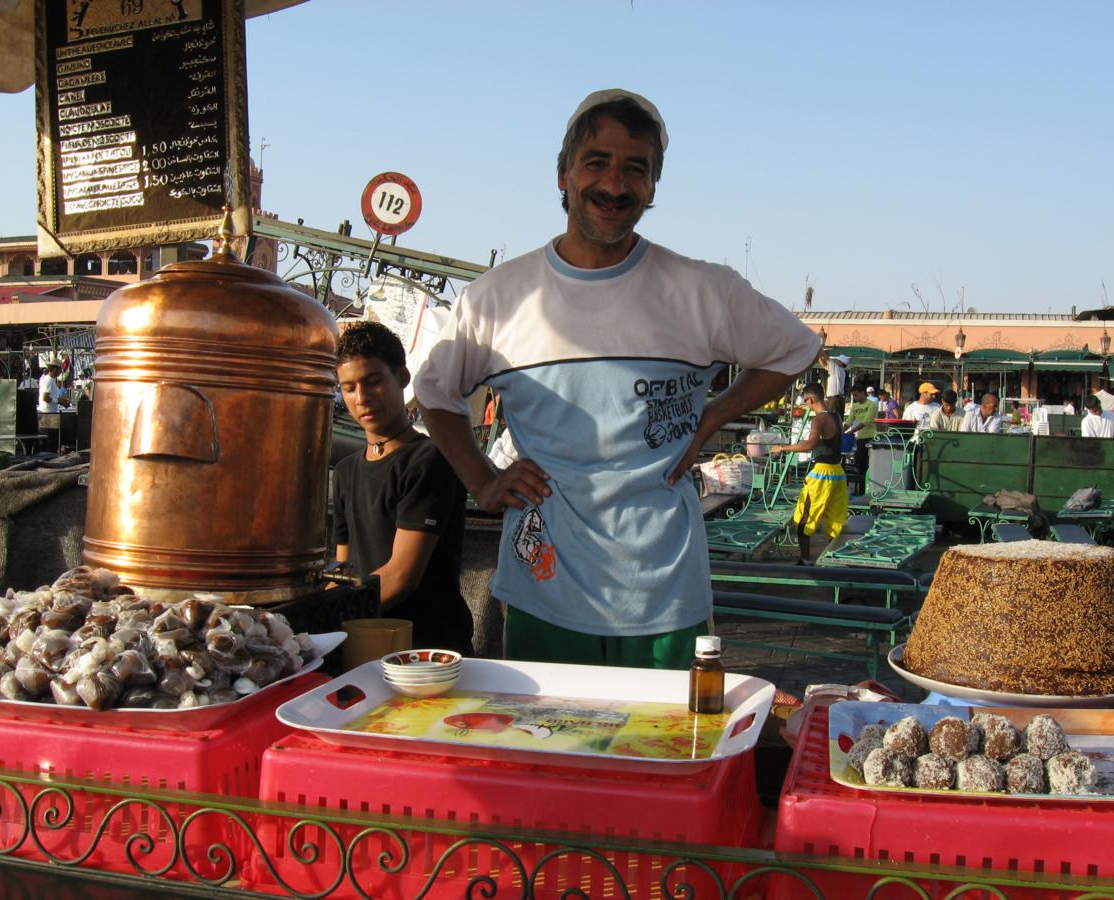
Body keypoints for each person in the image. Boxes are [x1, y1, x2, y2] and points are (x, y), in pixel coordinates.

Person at [414, 88, 821, 670]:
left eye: (637, 168)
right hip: (543, 590)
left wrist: (711, 417)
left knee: (664, 755)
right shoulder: (498, 298)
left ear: (653, 186)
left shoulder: (704, 290)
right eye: (597, 162)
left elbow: (795, 350)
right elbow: (433, 392)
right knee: (549, 749)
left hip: (665, 596)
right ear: (563, 174)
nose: (615, 184)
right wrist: (481, 479)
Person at [333, 322, 474, 654]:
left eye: (373, 382)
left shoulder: (430, 460)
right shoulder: (344, 471)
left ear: (402, 378)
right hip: (364, 644)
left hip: (427, 651)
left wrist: (330, 613)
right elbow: (343, 570)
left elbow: (400, 576)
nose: (361, 398)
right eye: (349, 388)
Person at [769, 383, 847, 566]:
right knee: (835, 519)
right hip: (838, 472)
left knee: (805, 519)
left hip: (821, 474)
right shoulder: (836, 416)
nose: (805, 404)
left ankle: (805, 560)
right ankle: (832, 559)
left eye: (805, 401)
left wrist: (783, 448)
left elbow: (810, 444)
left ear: (810, 399)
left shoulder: (818, 420)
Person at [842, 383, 877, 493]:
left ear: (863, 393)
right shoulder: (855, 406)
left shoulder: (872, 404)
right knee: (860, 464)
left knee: (869, 464)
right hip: (860, 438)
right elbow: (849, 421)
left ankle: (869, 488)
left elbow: (866, 421)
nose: (855, 398)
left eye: (856, 395)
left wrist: (852, 431)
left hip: (871, 437)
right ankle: (861, 490)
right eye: (853, 396)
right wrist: (841, 431)